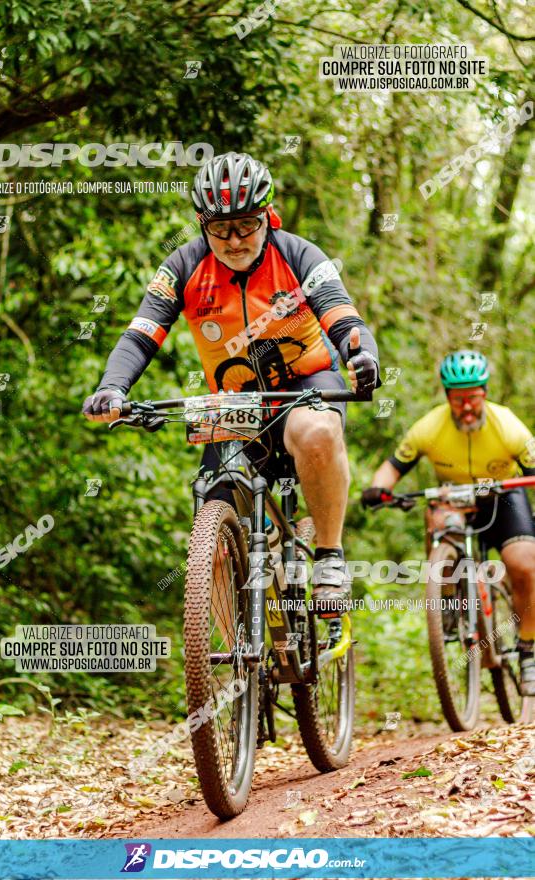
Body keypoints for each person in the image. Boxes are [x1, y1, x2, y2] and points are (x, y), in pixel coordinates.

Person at [83, 151, 380, 612]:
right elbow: (141, 334)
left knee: (317, 431)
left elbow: (342, 318)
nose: (234, 240)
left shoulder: (299, 255)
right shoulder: (182, 266)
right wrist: (113, 387)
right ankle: (236, 666)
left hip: (304, 385)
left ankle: (329, 555)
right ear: (203, 224)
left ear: (267, 216)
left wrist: (361, 356)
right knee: (215, 540)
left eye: (246, 225)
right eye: (220, 229)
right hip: (233, 400)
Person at [362, 350, 535, 695]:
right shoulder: (429, 427)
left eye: (473, 398)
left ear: (484, 394)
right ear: (447, 397)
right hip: (454, 499)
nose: (467, 407)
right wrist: (378, 489)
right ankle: (448, 602)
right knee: (436, 514)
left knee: (524, 565)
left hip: (504, 498)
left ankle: (528, 648)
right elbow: (395, 465)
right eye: (458, 400)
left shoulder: (508, 425)